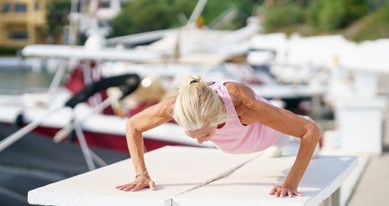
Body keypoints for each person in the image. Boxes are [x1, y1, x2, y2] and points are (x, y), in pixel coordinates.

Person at [116, 76, 321, 197]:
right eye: (192, 135)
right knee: (274, 153)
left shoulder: (243, 105)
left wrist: (291, 183)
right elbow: (134, 126)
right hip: (243, 142)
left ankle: (288, 134)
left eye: (205, 134)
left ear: (219, 116)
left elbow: (310, 131)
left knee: (296, 138)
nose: (199, 141)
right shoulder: (176, 106)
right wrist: (141, 174)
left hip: (270, 135)